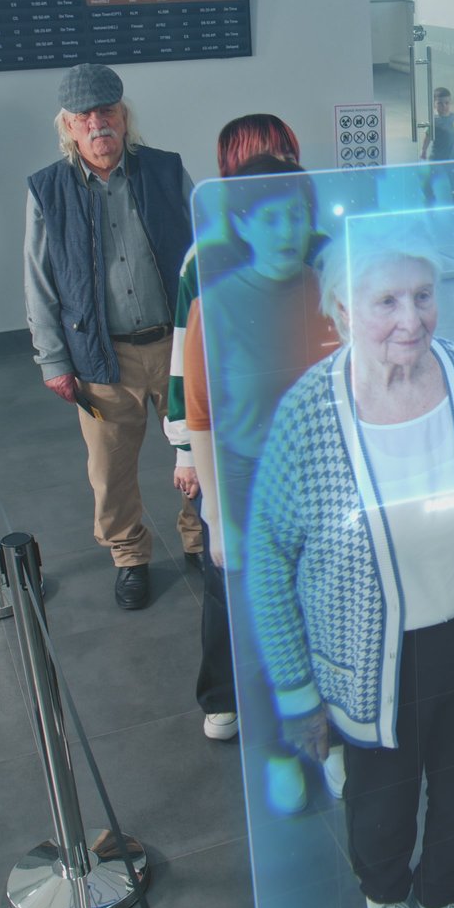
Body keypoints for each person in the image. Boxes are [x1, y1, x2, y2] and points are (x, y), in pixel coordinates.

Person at [249, 232, 454, 908]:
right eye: (386, 301)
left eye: (423, 294)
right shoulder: (309, 414)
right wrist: (294, 688)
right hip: (370, 661)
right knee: (380, 803)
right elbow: (269, 562)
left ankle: (441, 897)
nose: (410, 318)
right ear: (344, 309)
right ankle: (385, 898)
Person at [181, 156, 341, 769]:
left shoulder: (333, 290)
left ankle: (330, 738)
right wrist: (217, 516)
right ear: (243, 227)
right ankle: (274, 751)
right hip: (249, 479)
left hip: (324, 477)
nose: (285, 231)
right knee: (258, 622)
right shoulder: (214, 306)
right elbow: (201, 415)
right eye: (269, 218)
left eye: (296, 216)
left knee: (327, 610)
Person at [22, 63, 194, 613]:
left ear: (124, 117)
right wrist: (52, 359)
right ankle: (129, 557)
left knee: (202, 448)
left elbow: (205, 254)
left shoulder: (167, 173)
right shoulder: (48, 190)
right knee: (110, 469)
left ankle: (201, 539)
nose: (98, 124)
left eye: (107, 113)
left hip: (175, 344)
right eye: (84, 117)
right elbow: (39, 281)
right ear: (68, 126)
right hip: (101, 354)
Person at [167, 115, 303, 742]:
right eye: (264, 159)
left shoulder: (317, 248)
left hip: (300, 454)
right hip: (238, 447)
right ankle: (224, 692)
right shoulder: (207, 259)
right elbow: (189, 366)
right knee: (230, 579)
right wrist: (187, 454)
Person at [421, 87, 454, 161]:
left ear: (450, 103)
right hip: (437, 157)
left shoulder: (453, 117)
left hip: (452, 156)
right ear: (434, 104)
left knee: (453, 172)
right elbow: (427, 137)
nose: (444, 106)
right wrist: (423, 151)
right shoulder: (433, 120)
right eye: (440, 103)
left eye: (446, 103)